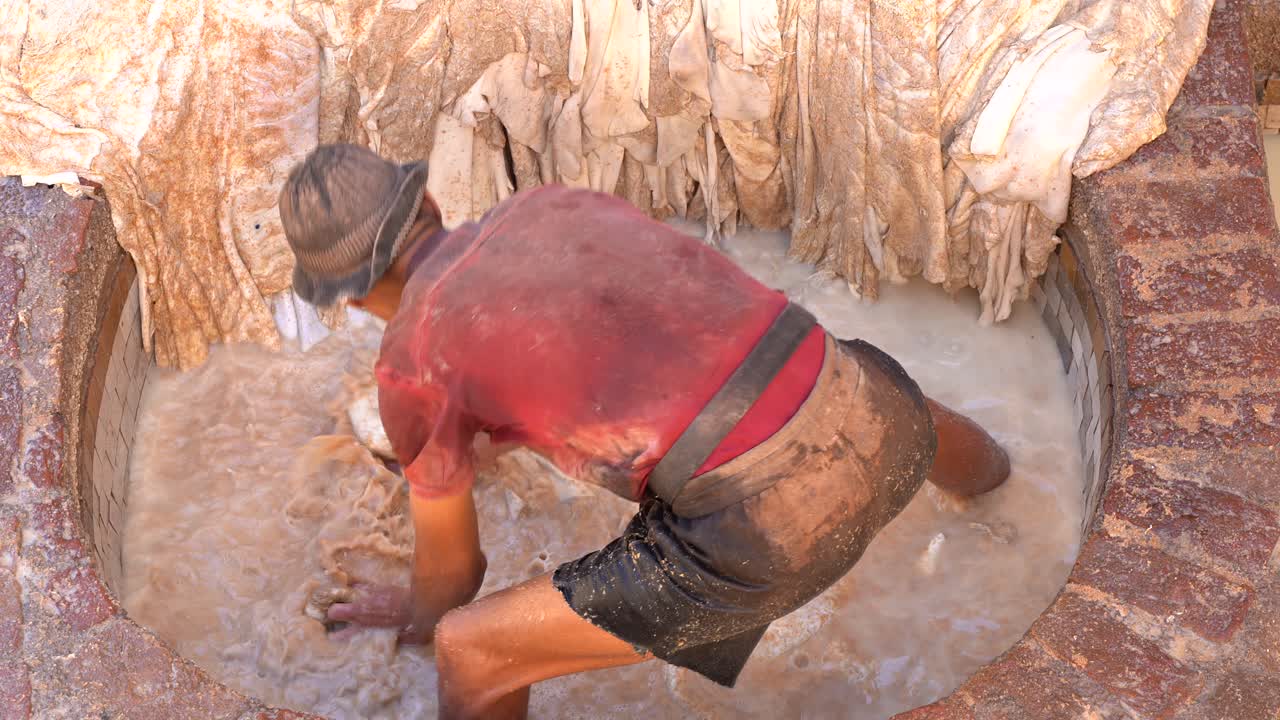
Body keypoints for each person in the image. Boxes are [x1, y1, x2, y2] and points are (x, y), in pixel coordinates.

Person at [277, 144, 1010, 720]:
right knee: (840, 383)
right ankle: (1012, 495)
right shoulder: (547, 204)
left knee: (469, 650)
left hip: (766, 526)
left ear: (353, 295)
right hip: (875, 408)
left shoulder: (411, 361)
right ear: (429, 203)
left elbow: (454, 575)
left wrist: (416, 619)